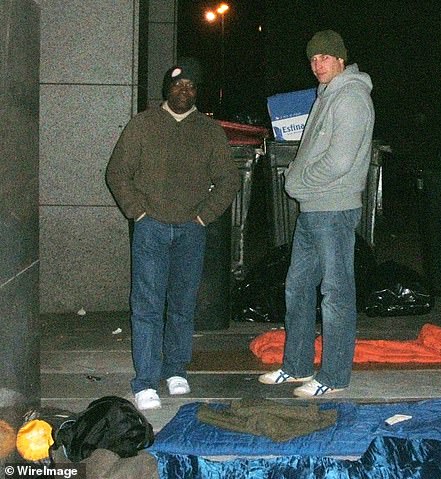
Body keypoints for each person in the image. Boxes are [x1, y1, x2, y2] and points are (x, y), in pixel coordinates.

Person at [106, 62, 240, 410]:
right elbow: (117, 173)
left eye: (191, 86)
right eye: (179, 85)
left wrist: (203, 216)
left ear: (197, 92)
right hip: (150, 228)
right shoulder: (144, 125)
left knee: (182, 304)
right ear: (167, 88)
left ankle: (176, 368)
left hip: (190, 231)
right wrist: (138, 212)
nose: (185, 91)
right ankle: (146, 381)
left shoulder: (209, 130)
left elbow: (229, 179)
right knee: (147, 306)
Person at [259, 30, 375, 397]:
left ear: (341, 60)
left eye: (325, 57)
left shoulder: (351, 97)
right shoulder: (326, 96)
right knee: (297, 287)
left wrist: (299, 183)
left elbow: (339, 161)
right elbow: (311, 150)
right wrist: (301, 183)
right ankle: (296, 366)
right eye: (313, 59)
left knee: (336, 294)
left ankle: (334, 377)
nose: (318, 64)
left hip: (334, 209)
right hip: (314, 210)